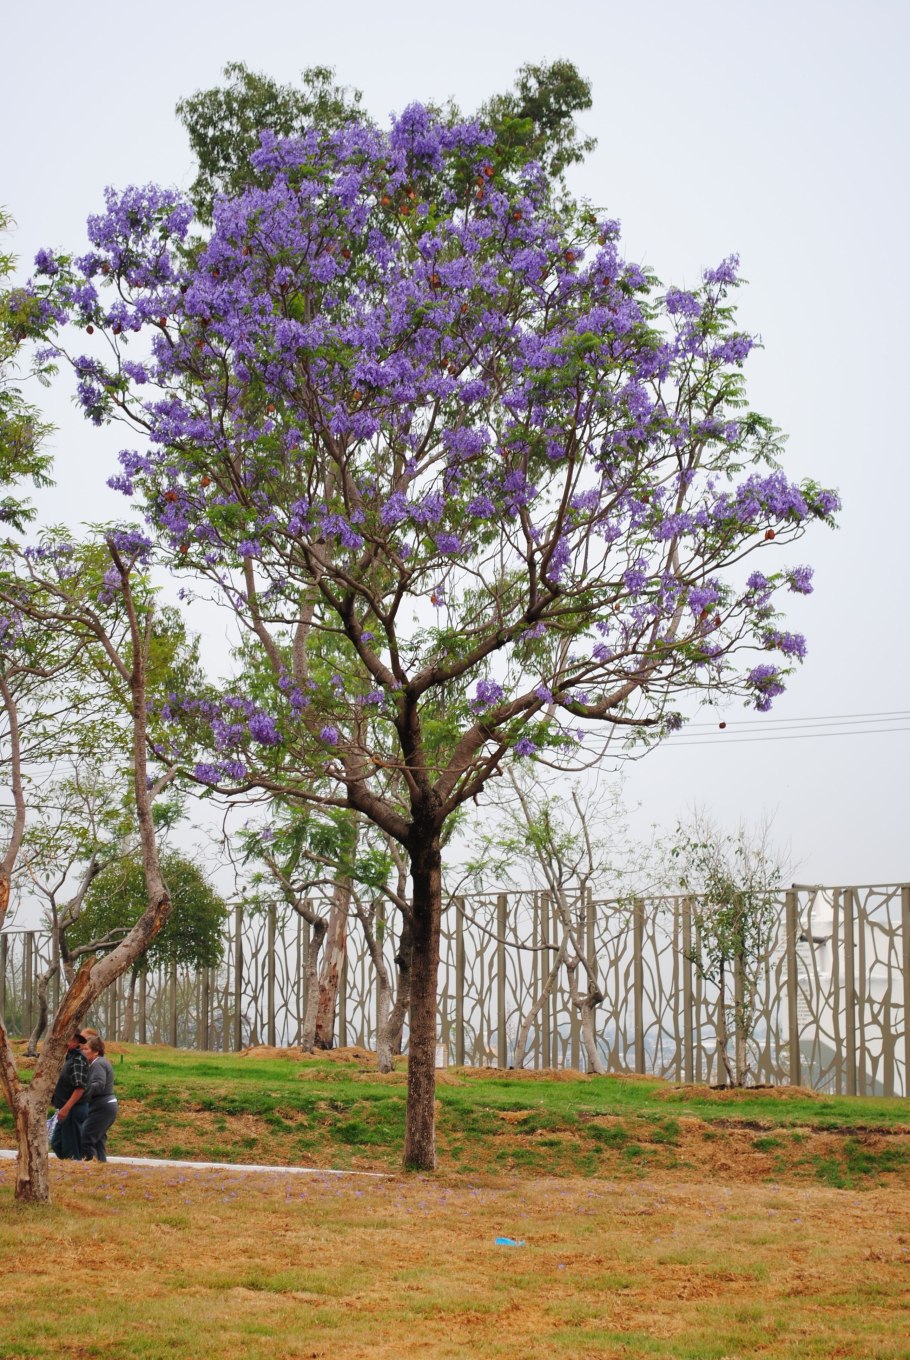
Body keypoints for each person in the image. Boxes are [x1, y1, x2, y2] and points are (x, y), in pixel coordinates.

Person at [50, 1032, 90, 1160]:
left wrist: (66, 1108)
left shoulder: (78, 1059)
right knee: (57, 1143)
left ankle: (75, 1170)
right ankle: (69, 1167)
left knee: (70, 1149)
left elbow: (80, 1088)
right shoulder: (67, 1058)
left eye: (70, 1039)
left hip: (73, 1108)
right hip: (64, 1108)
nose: (66, 1042)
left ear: (76, 1041)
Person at [80, 1035, 118, 1162]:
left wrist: (82, 1091)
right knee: (98, 1140)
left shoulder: (98, 1064)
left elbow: (99, 1084)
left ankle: (92, 1166)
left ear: (96, 1051)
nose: (83, 1052)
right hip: (105, 1105)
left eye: (86, 1049)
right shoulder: (98, 1063)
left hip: (103, 1106)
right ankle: (101, 1167)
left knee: (86, 1138)